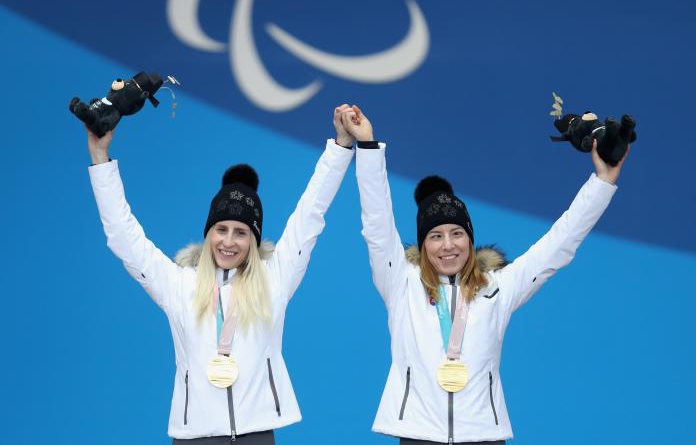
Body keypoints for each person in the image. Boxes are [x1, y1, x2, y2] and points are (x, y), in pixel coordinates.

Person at [338, 105, 628, 444]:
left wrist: (603, 182)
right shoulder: (400, 283)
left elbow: (560, 244)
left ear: (470, 239)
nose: (448, 245)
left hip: (485, 437)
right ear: (424, 244)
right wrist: (368, 146)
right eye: (436, 236)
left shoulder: (498, 288)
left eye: (457, 233)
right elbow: (377, 224)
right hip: (417, 435)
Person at [86, 105, 356, 444]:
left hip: (256, 435)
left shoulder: (276, 279)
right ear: (208, 232)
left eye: (241, 232)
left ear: (254, 241)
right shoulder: (178, 284)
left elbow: (311, 212)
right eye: (221, 229)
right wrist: (100, 156)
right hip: (194, 436)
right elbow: (123, 236)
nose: (228, 242)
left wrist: (341, 145)